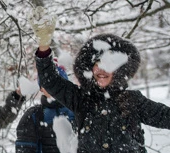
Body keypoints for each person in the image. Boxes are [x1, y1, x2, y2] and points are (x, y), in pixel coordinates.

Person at [28, 6, 170, 153]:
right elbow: (50, 81)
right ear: (90, 68)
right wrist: (44, 46)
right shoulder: (80, 99)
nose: (102, 70)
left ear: (119, 70)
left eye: (109, 65)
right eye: (98, 64)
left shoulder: (132, 100)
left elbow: (165, 116)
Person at [15, 63, 76, 153]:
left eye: (58, 81)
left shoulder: (79, 110)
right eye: (47, 83)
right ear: (41, 88)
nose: (52, 87)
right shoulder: (33, 116)